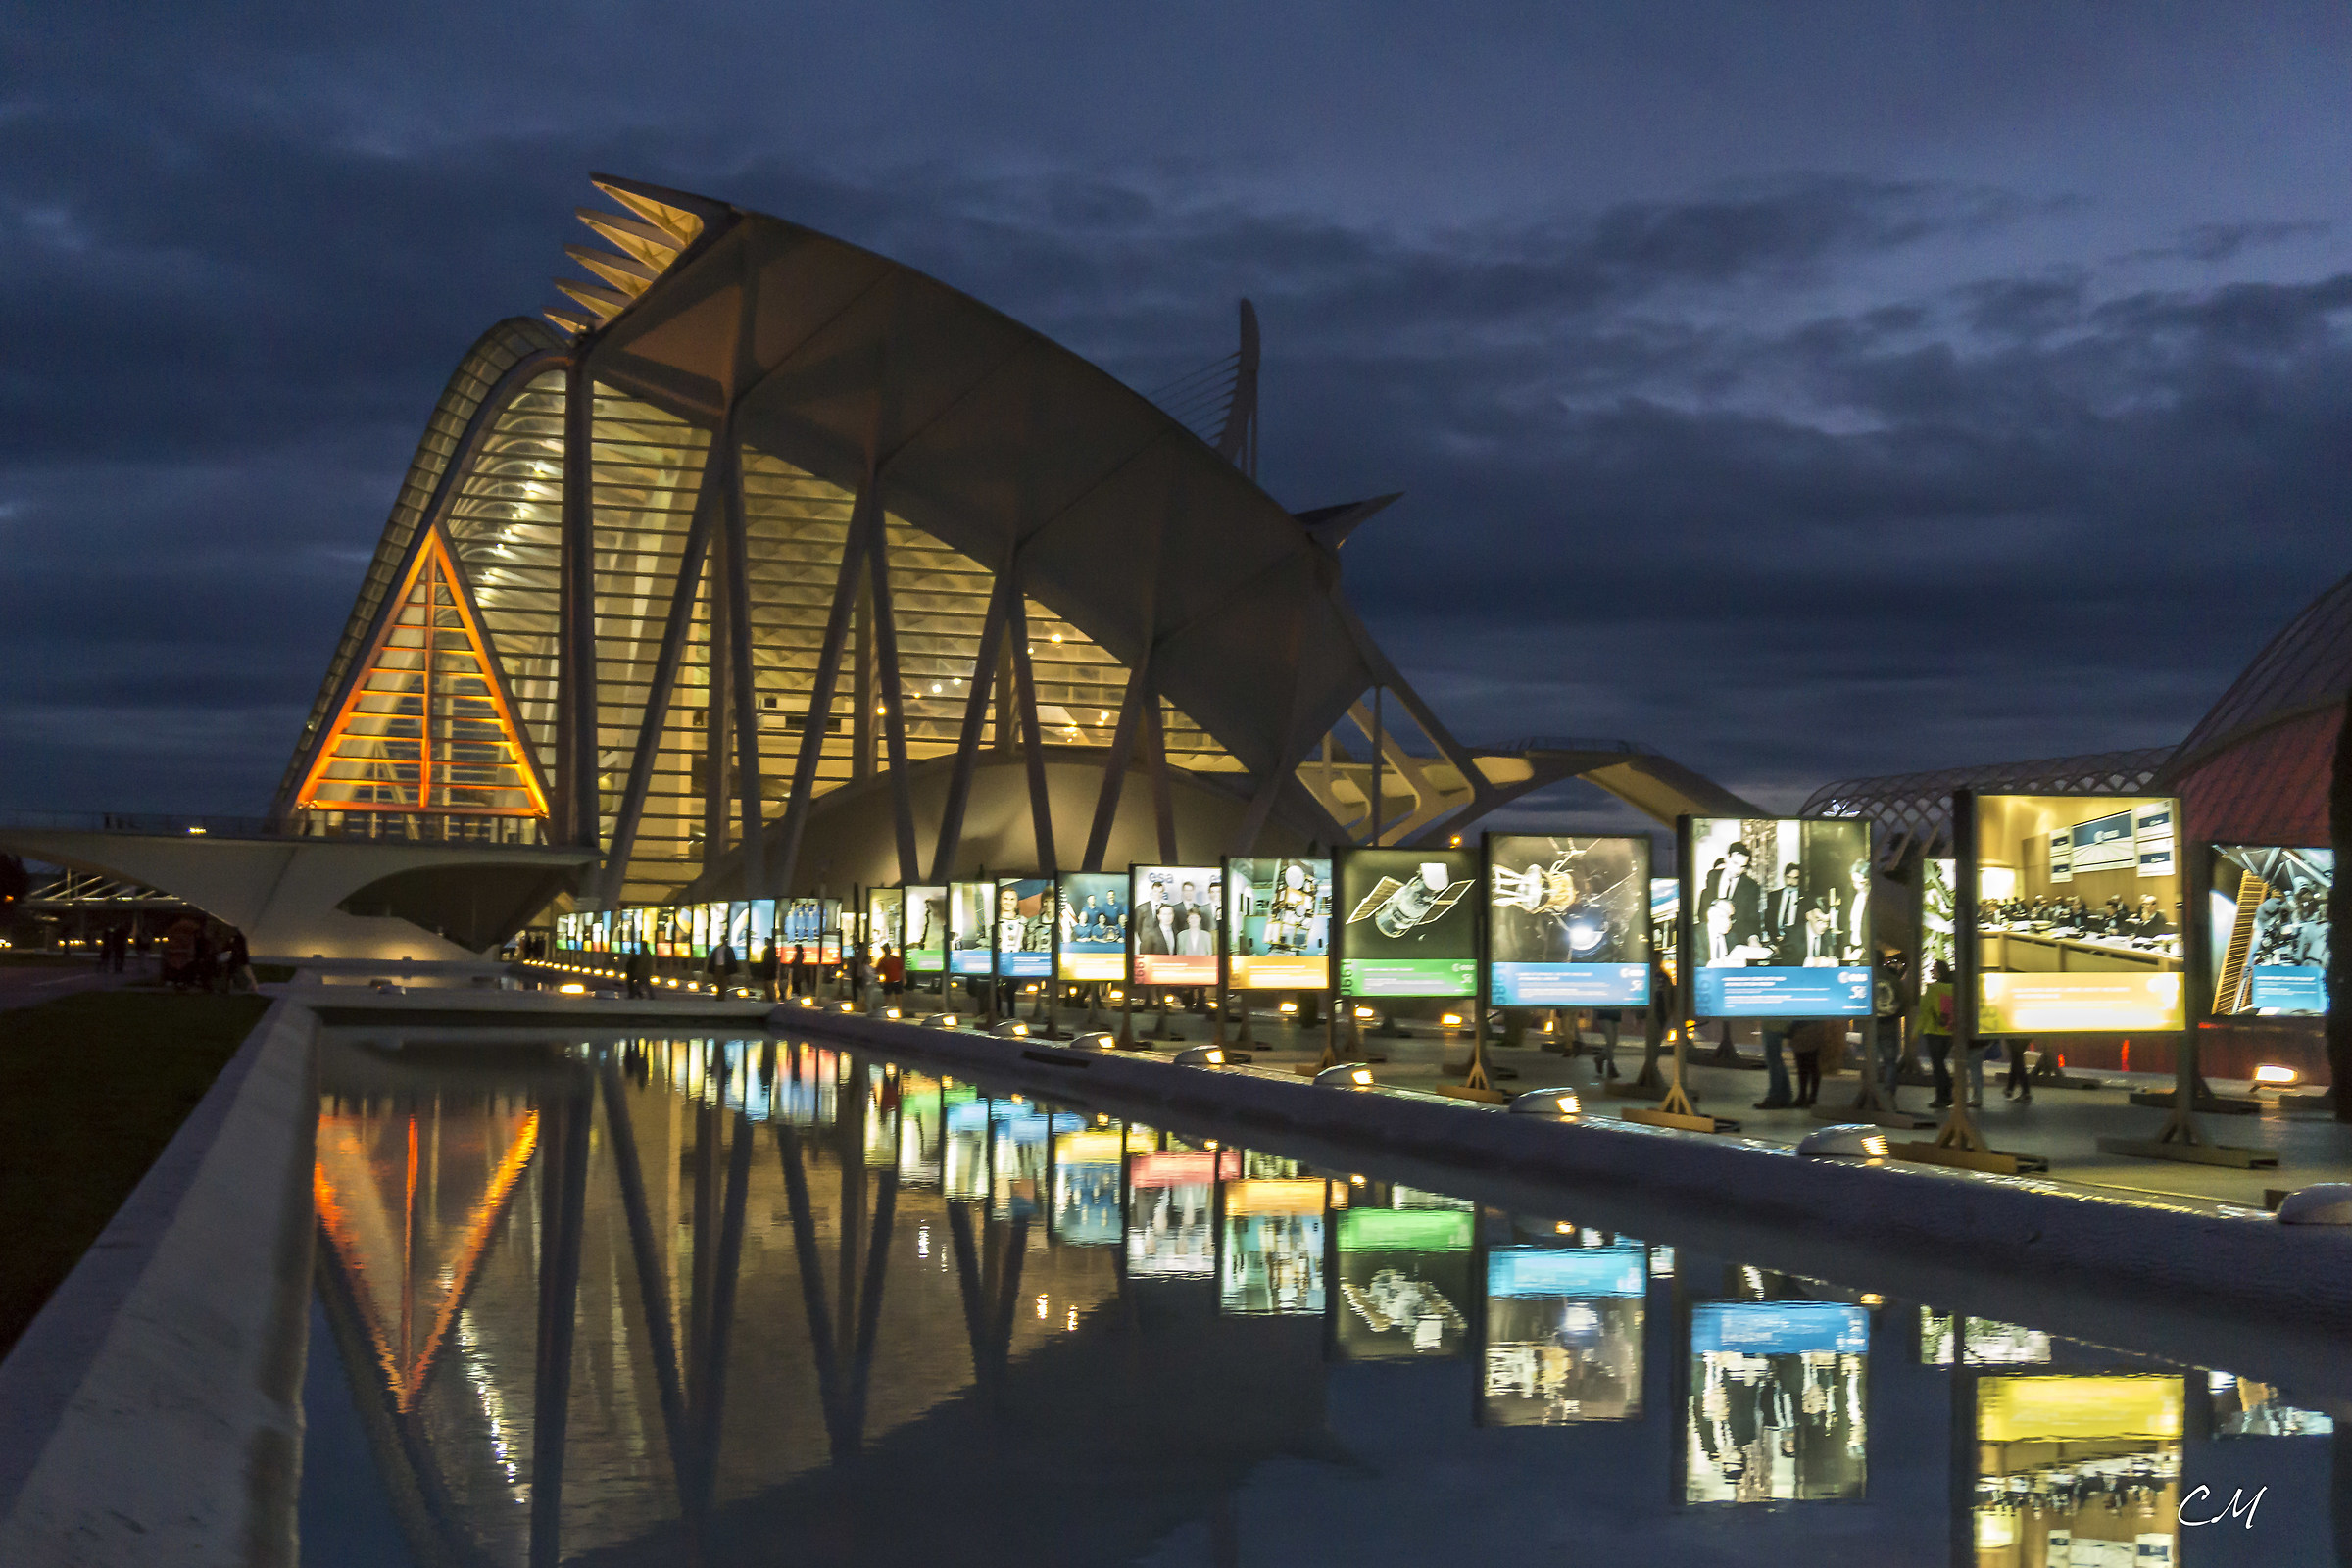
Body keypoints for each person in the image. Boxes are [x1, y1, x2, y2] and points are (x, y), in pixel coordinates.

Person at [1917, 960, 1957, 1110]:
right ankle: (1946, 1093)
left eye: (1934, 969)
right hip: (1949, 1031)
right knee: (1940, 1064)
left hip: (1933, 1031)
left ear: (1940, 971)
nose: (1932, 972)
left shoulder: (1933, 989)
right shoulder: (1955, 989)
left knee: (1937, 1065)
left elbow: (1924, 1012)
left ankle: (1942, 1095)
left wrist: (1915, 1033)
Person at [1765, 865, 1807, 965]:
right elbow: (1768, 921)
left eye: (1795, 878)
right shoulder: (1773, 896)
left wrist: (1790, 938)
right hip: (1776, 944)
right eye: (1789, 877)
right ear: (1784, 877)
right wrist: (1776, 938)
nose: (1791, 882)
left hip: (1796, 947)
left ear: (1800, 879)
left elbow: (1805, 925)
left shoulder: (1806, 898)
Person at [1754, 1018, 1794, 1109]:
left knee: (1773, 1061)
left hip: (1772, 1026)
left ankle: (1775, 1097)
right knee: (1776, 1060)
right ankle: (1784, 1096)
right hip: (1777, 1025)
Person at [222, 926, 256, 994]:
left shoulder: (239, 938)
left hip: (239, 959)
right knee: (235, 973)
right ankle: (231, 987)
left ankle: (250, 986)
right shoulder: (237, 938)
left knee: (243, 973)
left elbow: (235, 948)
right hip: (238, 958)